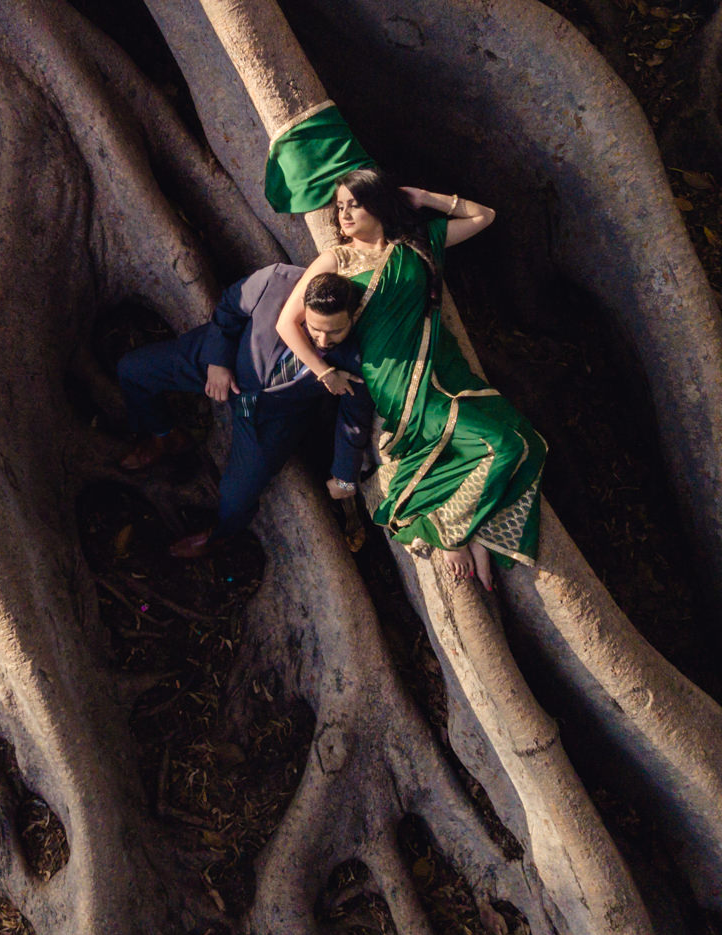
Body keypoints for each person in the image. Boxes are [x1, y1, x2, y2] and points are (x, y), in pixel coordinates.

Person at [264, 104, 546, 592]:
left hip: (445, 368)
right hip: (399, 383)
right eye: (340, 205)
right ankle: (450, 530)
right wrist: (324, 371)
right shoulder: (338, 259)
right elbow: (287, 322)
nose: (343, 213)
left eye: (354, 203)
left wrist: (424, 197)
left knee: (527, 443)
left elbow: (485, 216)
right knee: (505, 445)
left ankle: (472, 526)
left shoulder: (417, 244)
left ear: (379, 204)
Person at [117, 266, 371, 558]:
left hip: (272, 416)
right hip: (227, 363)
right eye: (314, 328)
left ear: (352, 317)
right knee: (132, 370)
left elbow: (354, 416)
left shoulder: (359, 355)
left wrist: (344, 475)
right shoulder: (276, 280)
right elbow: (229, 308)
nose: (323, 341)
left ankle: (220, 535)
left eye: (336, 330)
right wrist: (217, 362)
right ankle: (164, 435)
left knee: (237, 496)